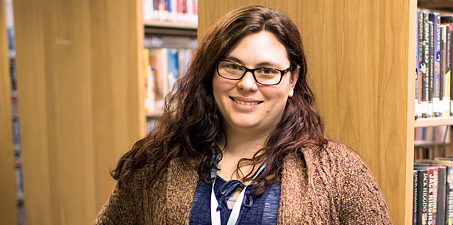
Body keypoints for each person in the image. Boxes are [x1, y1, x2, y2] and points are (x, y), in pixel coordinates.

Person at [95, 5, 391, 224]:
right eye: (233, 66)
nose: (247, 84)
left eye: (267, 71)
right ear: (210, 73)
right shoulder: (158, 163)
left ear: (291, 79)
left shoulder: (339, 171)